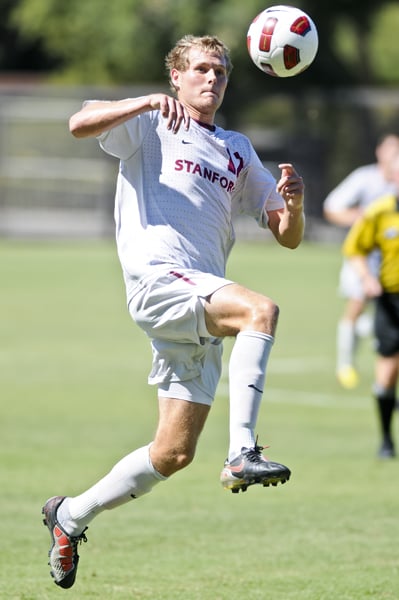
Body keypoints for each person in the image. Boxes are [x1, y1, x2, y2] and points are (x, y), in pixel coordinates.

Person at [42, 35, 305, 589]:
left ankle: (69, 517)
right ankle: (242, 453)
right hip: (160, 280)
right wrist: (141, 103)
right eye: (201, 70)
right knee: (260, 310)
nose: (212, 79)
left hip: (199, 293)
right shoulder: (150, 122)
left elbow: (287, 235)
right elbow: (78, 124)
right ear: (177, 78)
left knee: (173, 452)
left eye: (221, 72)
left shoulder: (236, 148)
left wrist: (294, 204)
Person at [323, 134, 399, 389]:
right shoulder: (364, 178)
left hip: (392, 260)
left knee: (386, 314)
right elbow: (332, 208)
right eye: (389, 149)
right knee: (357, 305)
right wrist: (362, 220)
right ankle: (345, 364)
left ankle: (380, 340)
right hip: (363, 257)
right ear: (379, 152)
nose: (393, 155)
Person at [342, 150, 399, 458]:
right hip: (391, 301)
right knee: (388, 374)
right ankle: (386, 440)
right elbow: (355, 248)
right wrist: (366, 278)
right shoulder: (379, 212)